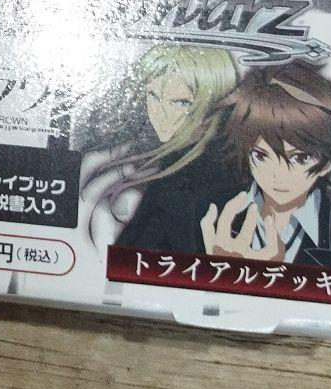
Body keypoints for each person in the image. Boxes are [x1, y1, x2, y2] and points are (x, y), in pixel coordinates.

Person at [84, 44, 238, 252]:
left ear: (213, 103)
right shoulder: (149, 153)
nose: (160, 113)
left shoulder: (207, 177)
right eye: (154, 96)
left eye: (181, 102)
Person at [200, 63, 331, 267]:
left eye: (300, 159)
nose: (277, 175)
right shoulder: (204, 213)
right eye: (261, 155)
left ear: (326, 164)